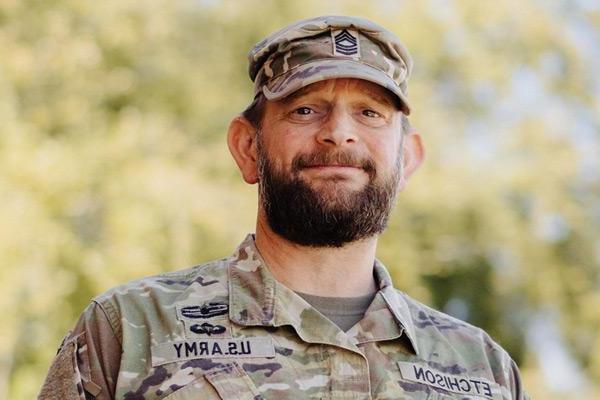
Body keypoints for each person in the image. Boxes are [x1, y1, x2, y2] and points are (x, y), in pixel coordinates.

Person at [39, 15, 528, 400]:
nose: (339, 131)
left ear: (407, 159)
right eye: (305, 109)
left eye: (370, 113)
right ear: (248, 147)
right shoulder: (131, 330)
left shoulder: (482, 370)